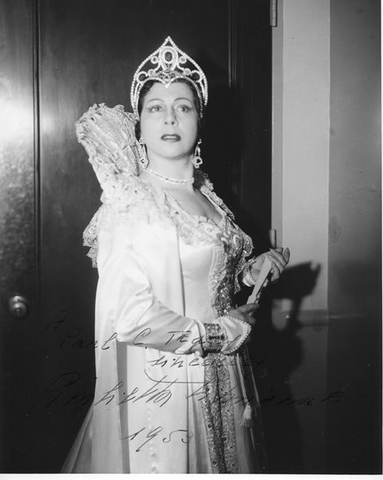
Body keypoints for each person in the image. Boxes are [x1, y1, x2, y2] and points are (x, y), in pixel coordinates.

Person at [61, 36, 290, 474]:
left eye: (183, 106)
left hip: (226, 378)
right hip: (164, 387)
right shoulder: (130, 200)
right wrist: (221, 333)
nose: (170, 116)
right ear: (140, 125)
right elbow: (128, 315)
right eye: (155, 107)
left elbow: (200, 271)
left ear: (199, 121)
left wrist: (247, 273)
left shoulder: (204, 193)